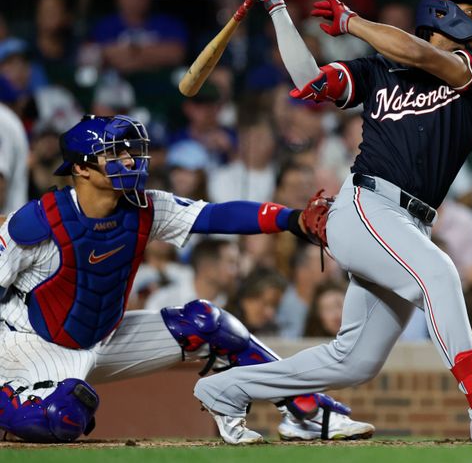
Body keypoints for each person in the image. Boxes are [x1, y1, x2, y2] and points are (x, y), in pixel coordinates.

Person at [194, 0, 472, 446]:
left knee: (355, 360)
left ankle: (225, 389)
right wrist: (279, 9)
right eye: (470, 13)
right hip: (368, 203)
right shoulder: (377, 71)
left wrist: (352, 21)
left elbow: (418, 52)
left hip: (409, 221)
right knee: (439, 277)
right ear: (440, 13)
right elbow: (311, 82)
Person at [0, 114, 372, 444]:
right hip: (36, 344)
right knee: (61, 417)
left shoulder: (144, 206)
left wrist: (292, 220)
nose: (129, 160)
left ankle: (306, 411)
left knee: (209, 324)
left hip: (106, 335)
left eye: (130, 152)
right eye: (114, 155)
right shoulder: (36, 223)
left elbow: (216, 216)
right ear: (80, 169)